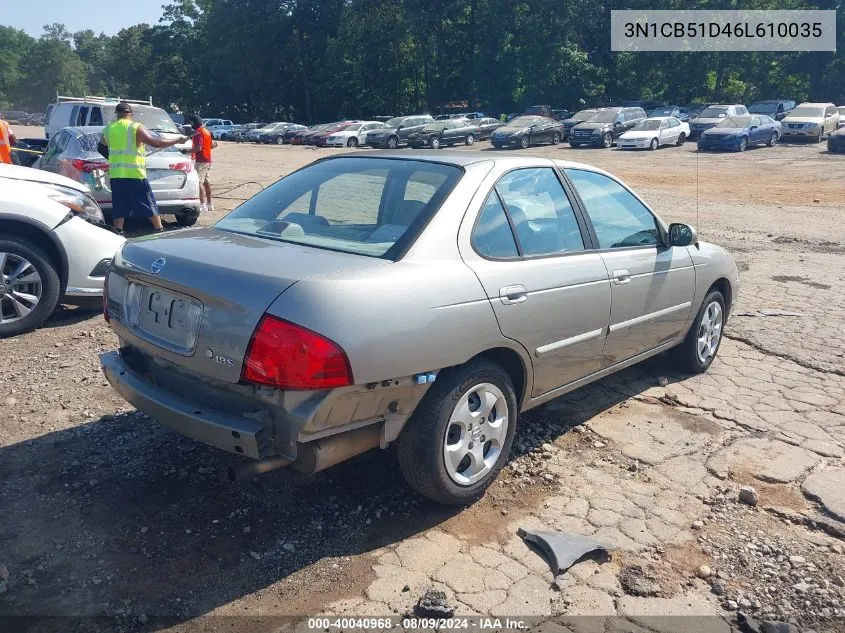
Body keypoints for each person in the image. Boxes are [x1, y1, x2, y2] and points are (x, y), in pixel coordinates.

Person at [98, 102, 187, 234]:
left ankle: (118, 231)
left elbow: (101, 148)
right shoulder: (135, 127)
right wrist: (177, 140)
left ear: (117, 115)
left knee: (119, 205)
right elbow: (156, 142)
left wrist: (113, 159)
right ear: (131, 114)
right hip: (135, 174)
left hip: (117, 175)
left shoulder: (109, 129)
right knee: (148, 202)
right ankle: (159, 229)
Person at [186, 114, 216, 213]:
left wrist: (186, 151)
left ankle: (202, 205)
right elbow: (212, 145)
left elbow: (198, 148)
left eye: (191, 122)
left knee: (198, 182)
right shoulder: (207, 132)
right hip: (208, 159)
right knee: (206, 181)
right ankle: (209, 204)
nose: (190, 125)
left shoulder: (198, 133)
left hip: (201, 160)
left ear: (194, 122)